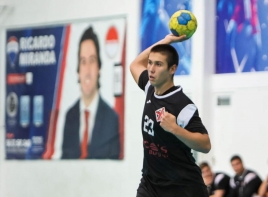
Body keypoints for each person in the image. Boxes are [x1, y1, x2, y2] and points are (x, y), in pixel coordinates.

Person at [130, 34, 211, 197]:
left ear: (172, 69)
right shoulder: (150, 89)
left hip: (182, 187)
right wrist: (166, 42)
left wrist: (175, 129)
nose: (151, 69)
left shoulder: (182, 105)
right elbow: (135, 64)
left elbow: (205, 145)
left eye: (158, 64)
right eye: (150, 63)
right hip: (150, 184)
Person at [61, 26, 120, 159]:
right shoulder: (69, 117)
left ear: (99, 67)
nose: (87, 71)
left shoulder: (111, 118)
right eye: (83, 62)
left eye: (92, 61)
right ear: (78, 70)